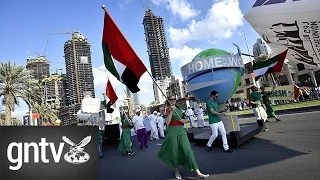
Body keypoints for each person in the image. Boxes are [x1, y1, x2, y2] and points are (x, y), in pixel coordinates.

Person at [157, 95, 209, 179]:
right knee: (175, 151)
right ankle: (176, 172)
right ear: (168, 100)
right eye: (171, 99)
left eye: (174, 99)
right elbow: (167, 123)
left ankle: (198, 173)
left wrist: (184, 120)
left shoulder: (180, 109)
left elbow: (188, 119)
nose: (173, 100)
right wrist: (171, 112)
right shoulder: (167, 109)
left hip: (181, 131)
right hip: (172, 132)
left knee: (188, 151)